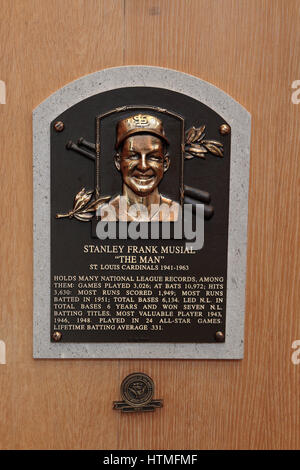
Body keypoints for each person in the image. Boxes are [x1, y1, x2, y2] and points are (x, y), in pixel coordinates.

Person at [100, 114, 180, 221]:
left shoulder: (177, 212)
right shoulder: (105, 214)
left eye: (153, 157)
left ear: (165, 163)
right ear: (118, 162)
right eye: (133, 156)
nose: (143, 166)